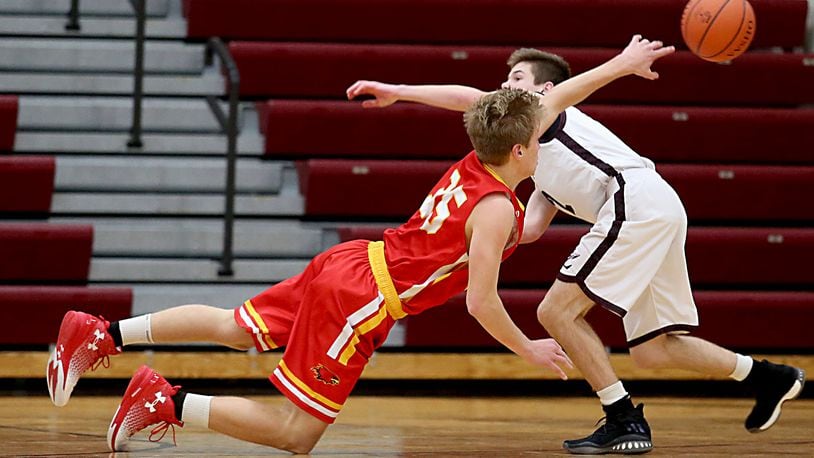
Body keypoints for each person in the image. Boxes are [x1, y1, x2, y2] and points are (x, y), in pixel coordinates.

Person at [46, 36, 672, 454]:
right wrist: (529, 348)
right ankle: (169, 401)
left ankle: (102, 332)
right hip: (364, 298)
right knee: (299, 433)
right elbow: (481, 302)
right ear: (521, 148)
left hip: (350, 261)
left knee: (237, 326)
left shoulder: (478, 157)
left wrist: (618, 66)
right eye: (538, 139)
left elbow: (496, 104)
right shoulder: (491, 211)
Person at [346, 44, 806, 454]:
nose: (506, 86)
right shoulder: (538, 162)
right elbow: (528, 231)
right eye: (506, 80)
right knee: (654, 350)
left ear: (546, 89)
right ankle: (768, 377)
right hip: (656, 208)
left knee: (556, 312)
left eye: (518, 79)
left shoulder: (545, 112)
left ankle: (624, 416)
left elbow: (470, 98)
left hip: (635, 199)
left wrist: (399, 90)